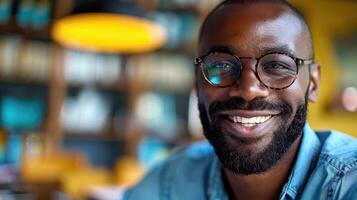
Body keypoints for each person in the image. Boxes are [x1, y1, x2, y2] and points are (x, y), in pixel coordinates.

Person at [123, 0, 357, 199]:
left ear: (313, 83)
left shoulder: (349, 181)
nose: (248, 90)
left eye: (276, 65)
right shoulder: (170, 181)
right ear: (198, 82)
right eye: (222, 65)